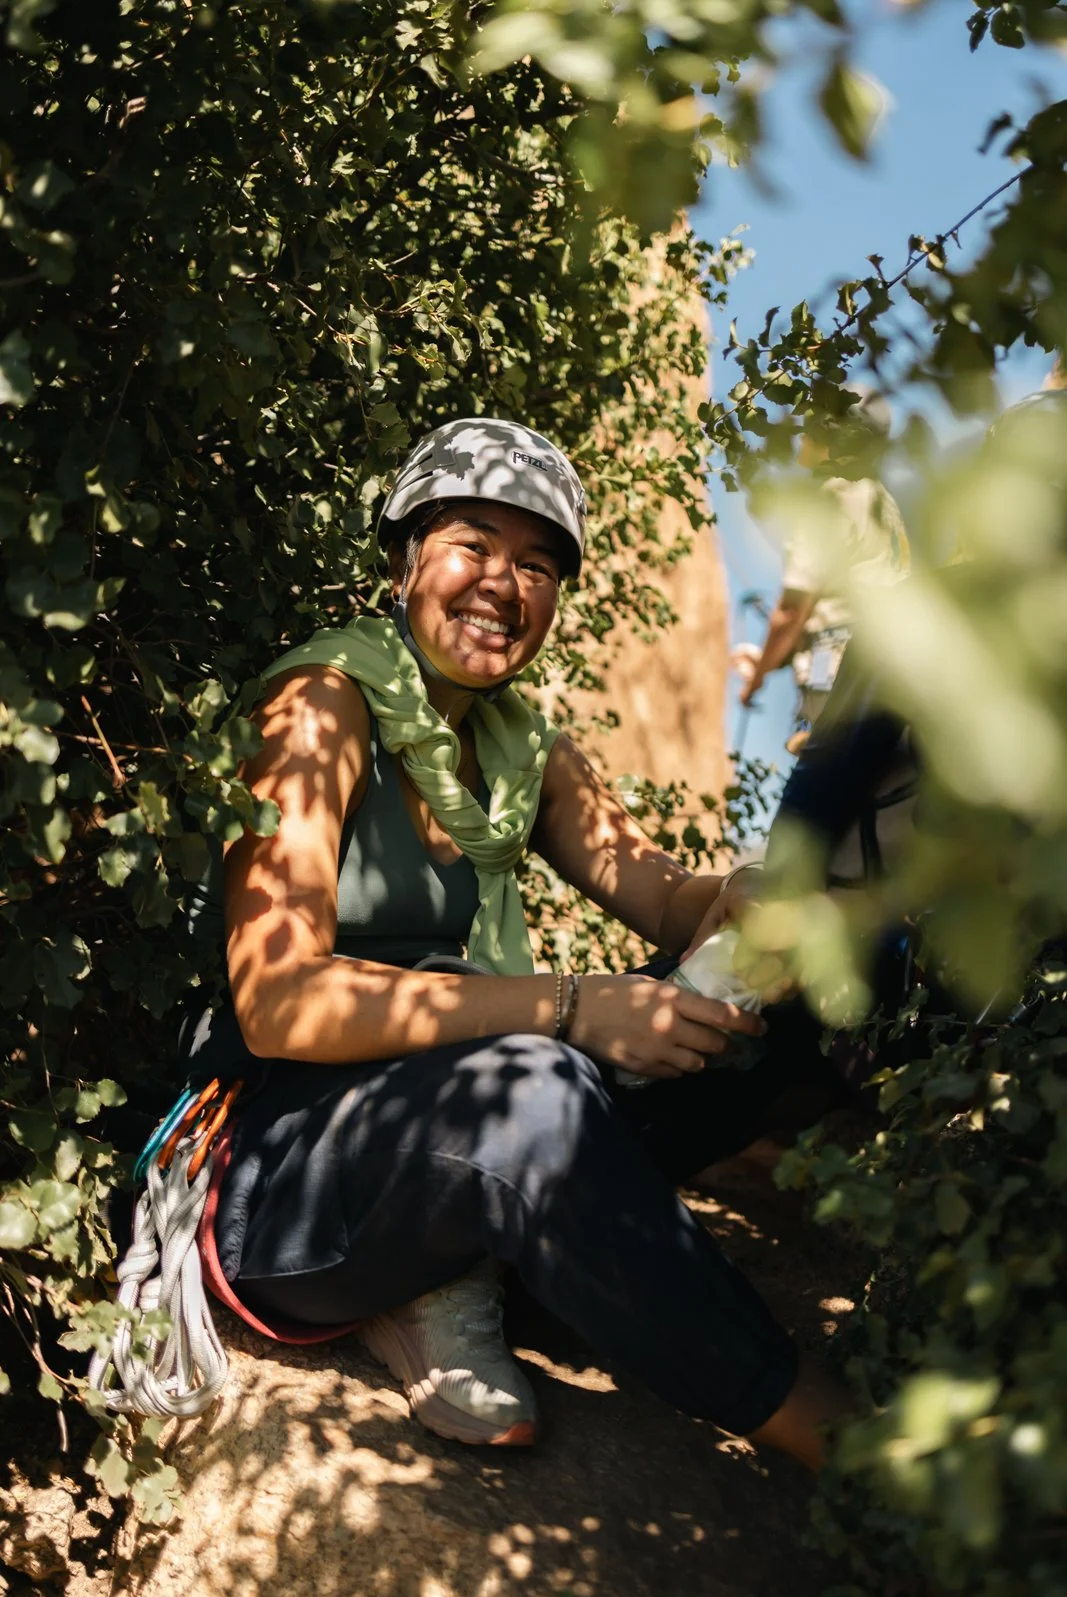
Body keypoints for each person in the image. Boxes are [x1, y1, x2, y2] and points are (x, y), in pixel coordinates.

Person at [182, 417, 850, 1471]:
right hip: (289, 1178)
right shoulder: (318, 707)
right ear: (406, 559)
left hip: (451, 1121)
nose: (505, 581)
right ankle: (836, 1436)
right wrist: (573, 1008)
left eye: (537, 563)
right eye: (474, 545)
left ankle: (511, 1263)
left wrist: (743, 904)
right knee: (536, 1091)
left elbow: (667, 901)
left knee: (763, 1005)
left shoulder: (518, 744)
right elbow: (281, 1001)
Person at [733, 390, 910, 753]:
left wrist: (756, 680)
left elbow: (791, 611)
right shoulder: (882, 501)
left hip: (839, 672)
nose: (803, 434)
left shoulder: (830, 498)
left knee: (815, 783)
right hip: (892, 667)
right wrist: (775, 658)